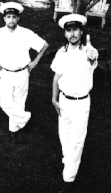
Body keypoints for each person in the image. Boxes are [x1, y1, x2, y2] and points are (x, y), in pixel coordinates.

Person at [0, 2, 49, 139]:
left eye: (14, 17)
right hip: (5, 73)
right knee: (5, 103)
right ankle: (25, 118)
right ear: (4, 18)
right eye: (8, 17)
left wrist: (35, 62)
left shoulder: (26, 33)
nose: (11, 20)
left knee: (19, 102)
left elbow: (44, 45)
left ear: (18, 18)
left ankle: (14, 129)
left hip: (23, 72)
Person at [51, 14, 98, 193]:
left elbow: (92, 60)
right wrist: (54, 99)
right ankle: (68, 160)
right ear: (65, 33)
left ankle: (68, 177)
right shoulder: (61, 53)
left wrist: (93, 56)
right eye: (69, 30)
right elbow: (56, 76)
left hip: (81, 103)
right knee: (65, 135)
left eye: (75, 30)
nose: (73, 34)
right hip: (64, 101)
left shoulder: (87, 52)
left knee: (77, 140)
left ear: (81, 31)